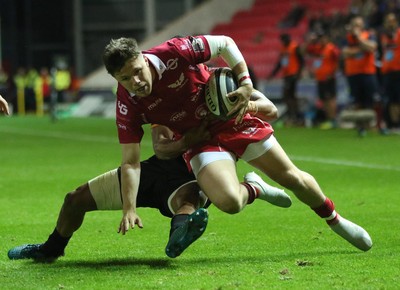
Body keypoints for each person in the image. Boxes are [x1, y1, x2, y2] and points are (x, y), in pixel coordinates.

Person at [102, 35, 372, 252]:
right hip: (202, 139)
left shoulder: (174, 51)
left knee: (293, 179)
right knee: (230, 203)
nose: (135, 82)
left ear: (143, 60)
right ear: (116, 79)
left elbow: (226, 43)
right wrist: (129, 207)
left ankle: (335, 220)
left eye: (137, 72)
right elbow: (130, 161)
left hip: (234, 117)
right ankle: (255, 187)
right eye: (125, 78)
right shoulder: (128, 103)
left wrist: (244, 84)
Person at [7, 91, 289, 262]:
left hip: (199, 172)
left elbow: (272, 110)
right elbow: (162, 149)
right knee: (74, 199)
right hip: (155, 169)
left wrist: (247, 104)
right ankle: (50, 249)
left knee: (189, 200)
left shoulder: (223, 90)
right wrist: (188, 139)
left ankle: (179, 236)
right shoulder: (166, 105)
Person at [342, 15, 381, 136]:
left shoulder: (369, 34)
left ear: (362, 26)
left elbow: (372, 47)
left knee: (373, 99)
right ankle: (361, 126)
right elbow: (344, 53)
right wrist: (362, 48)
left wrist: (358, 38)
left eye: (359, 25)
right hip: (353, 73)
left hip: (368, 72)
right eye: (355, 25)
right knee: (357, 102)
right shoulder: (347, 38)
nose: (356, 27)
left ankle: (376, 125)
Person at [305, 31, 340, 129]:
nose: (321, 40)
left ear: (327, 38)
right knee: (324, 99)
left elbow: (338, 61)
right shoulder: (318, 48)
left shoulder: (332, 48)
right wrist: (310, 41)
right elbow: (305, 51)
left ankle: (333, 120)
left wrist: (332, 73)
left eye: (323, 38)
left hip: (329, 78)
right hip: (320, 78)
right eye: (320, 38)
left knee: (330, 99)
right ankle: (328, 119)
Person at [268, 33, 305, 126]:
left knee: (289, 95)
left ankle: (295, 116)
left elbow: (301, 61)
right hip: (286, 75)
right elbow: (280, 64)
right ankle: (293, 115)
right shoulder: (283, 49)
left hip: (293, 75)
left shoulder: (295, 47)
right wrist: (272, 74)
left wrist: (299, 73)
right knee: (288, 96)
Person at [379, 12, 400, 132]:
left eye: (391, 21)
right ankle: (394, 125)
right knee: (391, 99)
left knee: (398, 98)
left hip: (398, 70)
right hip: (387, 71)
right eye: (387, 21)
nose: (389, 23)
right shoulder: (383, 36)